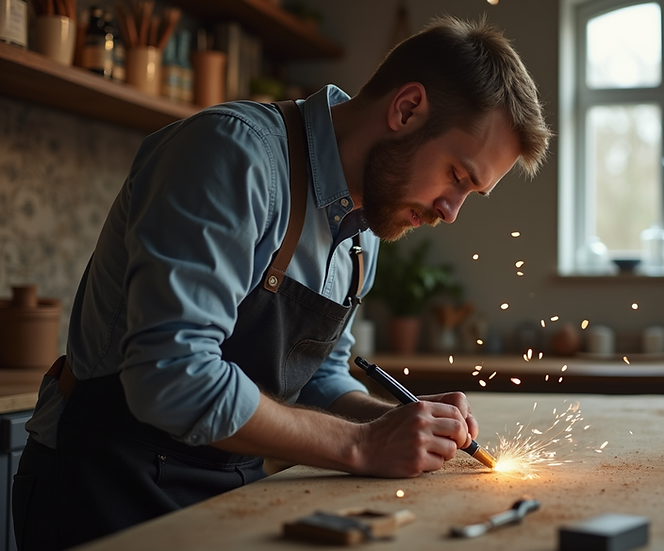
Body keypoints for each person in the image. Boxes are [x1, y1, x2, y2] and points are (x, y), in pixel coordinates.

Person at [13, 15, 551, 551]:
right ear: (407, 109)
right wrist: (363, 444)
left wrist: (401, 423)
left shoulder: (365, 231)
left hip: (228, 492)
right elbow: (172, 378)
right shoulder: (233, 155)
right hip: (105, 487)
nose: (451, 211)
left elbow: (318, 383)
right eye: (458, 176)